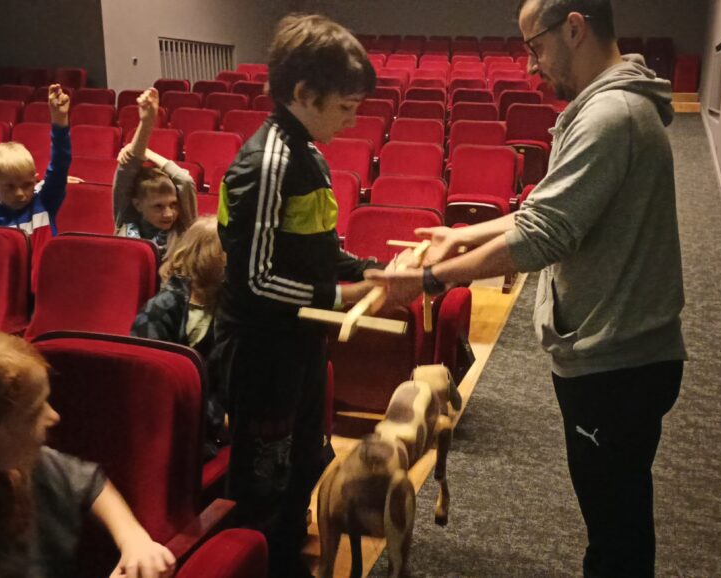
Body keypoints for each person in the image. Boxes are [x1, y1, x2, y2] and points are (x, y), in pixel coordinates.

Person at [369, 1, 686, 576]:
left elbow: (545, 233)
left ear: (574, 28)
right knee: (617, 520)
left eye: (535, 46)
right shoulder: (609, 107)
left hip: (616, 365)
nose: (531, 64)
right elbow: (550, 208)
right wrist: (463, 234)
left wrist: (429, 279)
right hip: (618, 354)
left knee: (615, 534)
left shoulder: (609, 116)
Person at [214, 13, 381, 576]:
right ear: (305, 94)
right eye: (346, 107)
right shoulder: (267, 162)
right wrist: (342, 296)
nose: (353, 120)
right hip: (262, 350)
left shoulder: (308, 152)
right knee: (264, 475)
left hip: (300, 338)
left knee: (304, 459)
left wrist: (372, 271)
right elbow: (256, 280)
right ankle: (258, 563)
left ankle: (286, 556)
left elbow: (317, 251)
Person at [0, 326, 176, 578]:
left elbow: (89, 481)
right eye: (34, 413)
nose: (54, 416)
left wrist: (133, 538)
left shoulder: (20, 463)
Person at [131, 215, 227, 459]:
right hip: (165, 424)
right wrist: (216, 419)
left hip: (208, 424)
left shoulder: (229, 309)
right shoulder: (161, 308)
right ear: (210, 257)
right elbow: (148, 382)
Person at [0, 84, 71, 246]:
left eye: (27, 185)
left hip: (46, 263)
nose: (20, 194)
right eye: (10, 187)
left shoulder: (44, 200)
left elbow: (60, 163)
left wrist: (59, 120)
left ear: (35, 180)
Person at [113, 88, 197, 259]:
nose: (169, 214)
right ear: (137, 204)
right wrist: (146, 122)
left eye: (173, 205)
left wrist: (148, 152)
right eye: (158, 206)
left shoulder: (183, 230)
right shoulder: (126, 221)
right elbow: (127, 170)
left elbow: (185, 181)